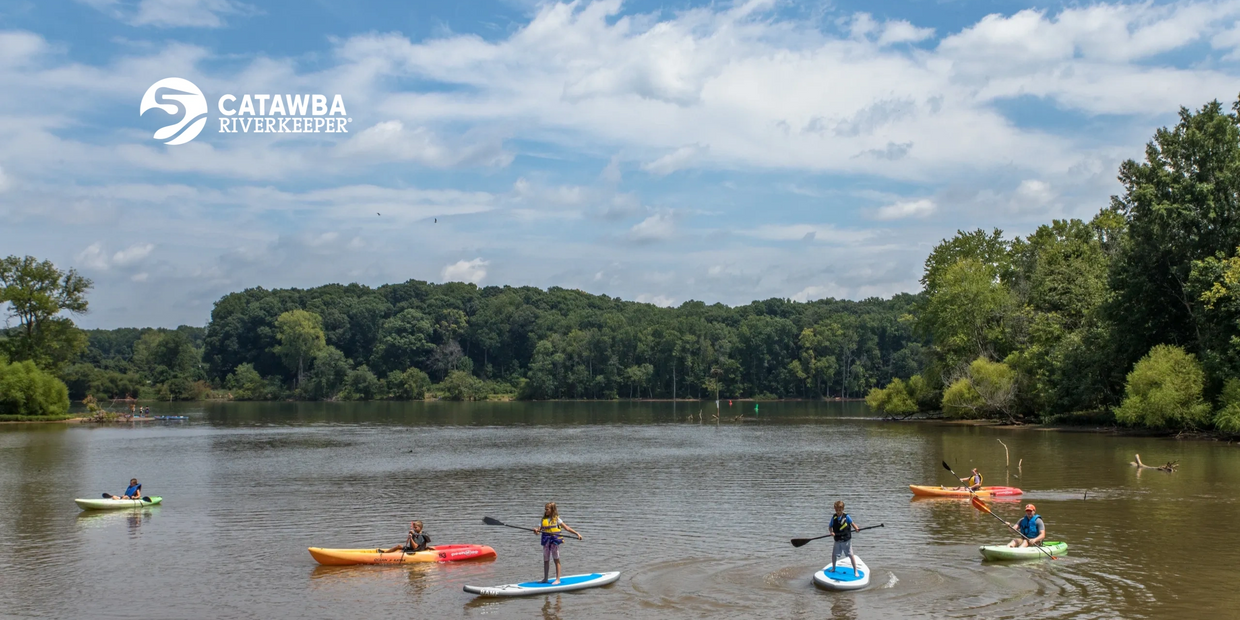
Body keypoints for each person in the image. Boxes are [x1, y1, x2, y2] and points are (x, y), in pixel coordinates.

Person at [535, 502, 582, 584]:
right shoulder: (543, 520)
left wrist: (577, 533)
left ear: (552, 510)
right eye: (545, 509)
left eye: (547, 509)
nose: (545, 510)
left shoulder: (557, 519)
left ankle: (558, 579)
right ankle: (545, 578)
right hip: (546, 542)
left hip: (554, 542)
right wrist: (535, 531)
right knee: (546, 560)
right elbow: (538, 532)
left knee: (556, 559)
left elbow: (567, 528)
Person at [829, 500, 861, 577]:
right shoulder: (834, 517)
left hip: (846, 540)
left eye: (839, 510)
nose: (838, 512)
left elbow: (852, 523)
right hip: (837, 540)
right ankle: (833, 568)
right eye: (836, 510)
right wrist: (831, 532)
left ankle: (855, 571)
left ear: (842, 509)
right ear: (835, 509)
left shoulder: (846, 516)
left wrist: (856, 528)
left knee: (851, 555)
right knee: (834, 554)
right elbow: (830, 527)